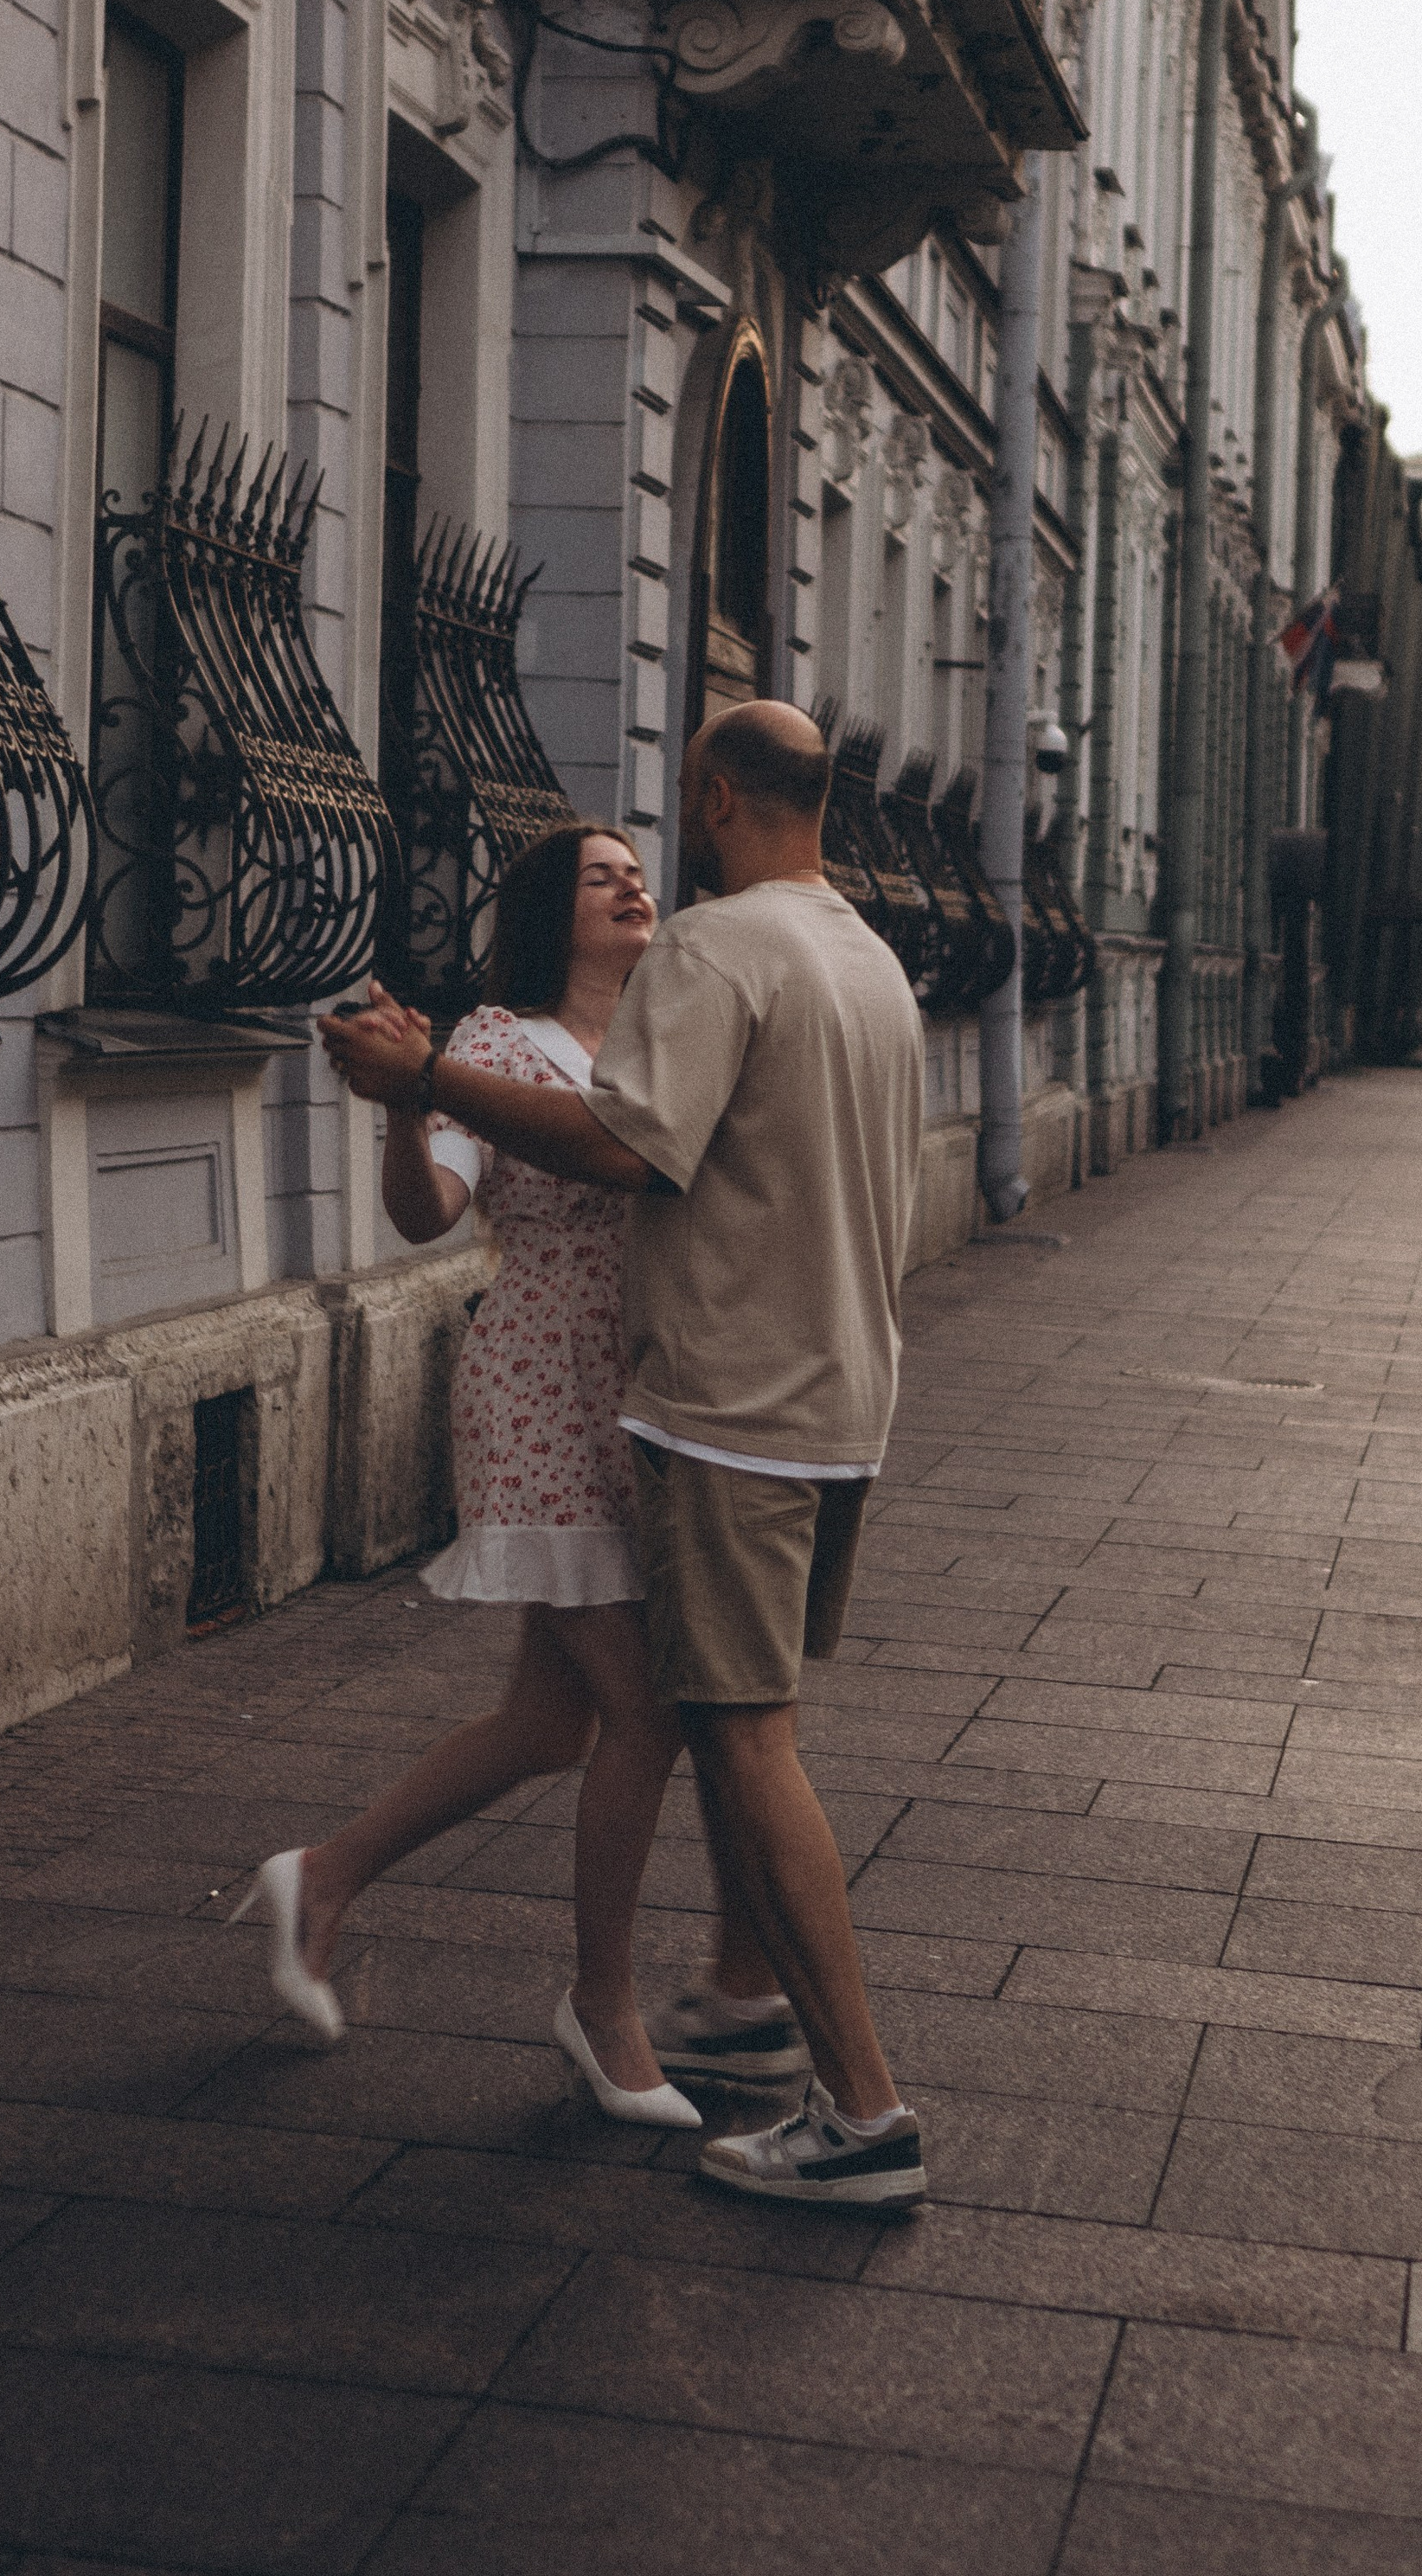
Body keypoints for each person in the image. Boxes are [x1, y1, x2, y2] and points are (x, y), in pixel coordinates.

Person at [322, 702, 927, 2211]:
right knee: (689, 1712)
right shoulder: (868, 959)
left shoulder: (720, 953)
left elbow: (615, 1147)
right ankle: (727, 1995)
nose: (647, 877)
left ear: (717, 797)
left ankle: (861, 2115)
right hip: (844, 1395)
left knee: (736, 1731)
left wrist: (420, 1082)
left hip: (727, 1401)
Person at [237, 822, 695, 2127]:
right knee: (647, 1718)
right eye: (604, 876)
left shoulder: (662, 1035)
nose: (633, 886)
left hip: (641, 1396)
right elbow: (428, 1214)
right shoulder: (494, 1043)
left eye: (638, 870)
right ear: (555, 912)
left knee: (551, 1728)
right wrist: (404, 1106)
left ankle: (321, 1876)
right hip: (544, 1391)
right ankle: (604, 2010)